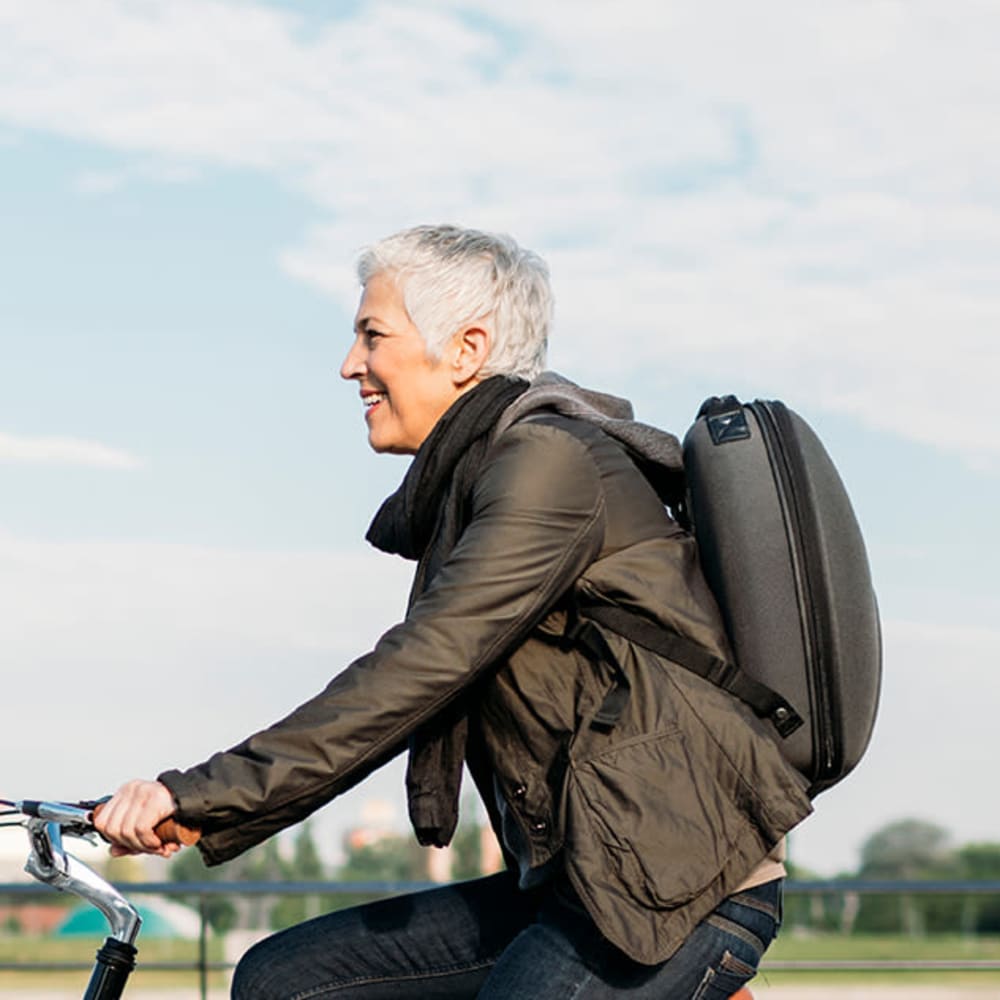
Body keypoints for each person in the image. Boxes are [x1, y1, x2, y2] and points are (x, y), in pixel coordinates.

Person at [95, 224, 813, 998]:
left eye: (373, 335)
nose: (350, 365)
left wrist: (199, 794)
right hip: (585, 878)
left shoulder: (548, 464)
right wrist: (204, 809)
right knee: (282, 982)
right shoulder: (477, 479)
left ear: (467, 350)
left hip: (677, 884)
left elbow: (420, 668)